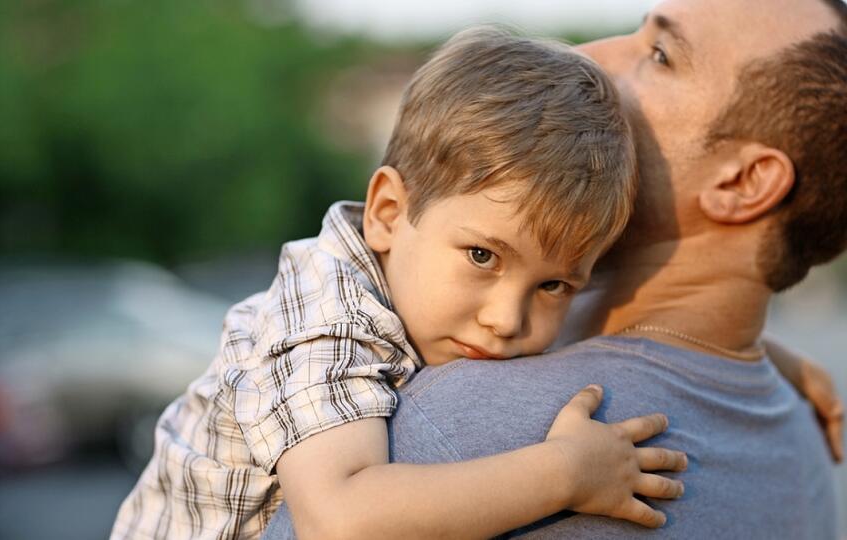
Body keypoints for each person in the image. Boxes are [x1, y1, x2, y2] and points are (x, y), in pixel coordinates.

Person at [258, 0, 847, 537]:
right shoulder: (805, 438)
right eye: (483, 256)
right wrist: (769, 356)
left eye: (660, 56)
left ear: (743, 182)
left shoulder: (465, 430)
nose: (586, 55)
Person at [111, 29, 695, 540]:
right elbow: (339, 521)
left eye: (553, 287)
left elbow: (637, 298)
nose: (506, 319)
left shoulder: (429, 282)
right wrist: (565, 473)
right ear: (388, 212)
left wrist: (775, 365)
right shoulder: (325, 316)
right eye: (482, 256)